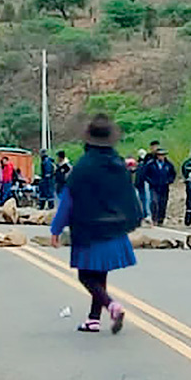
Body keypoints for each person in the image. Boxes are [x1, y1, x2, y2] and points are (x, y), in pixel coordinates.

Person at [50, 114, 141, 334]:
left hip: (89, 229)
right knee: (100, 274)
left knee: (86, 275)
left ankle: (112, 306)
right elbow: (129, 195)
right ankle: (93, 319)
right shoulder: (117, 164)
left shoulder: (83, 167)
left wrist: (56, 229)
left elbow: (68, 200)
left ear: (88, 140)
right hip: (114, 228)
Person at [140, 149, 175, 226]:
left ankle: (160, 219)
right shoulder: (151, 164)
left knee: (163, 203)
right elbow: (145, 174)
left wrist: (169, 181)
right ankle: (154, 218)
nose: (161, 157)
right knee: (154, 201)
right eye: (159, 155)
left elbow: (173, 174)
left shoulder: (169, 165)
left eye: (162, 155)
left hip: (164, 187)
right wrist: (151, 181)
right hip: (154, 187)